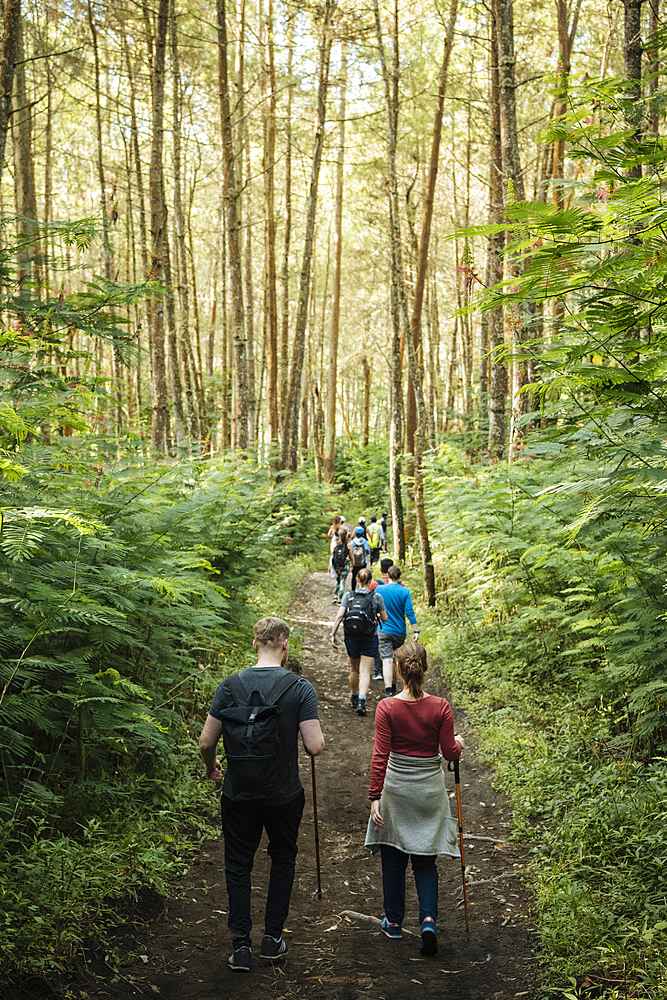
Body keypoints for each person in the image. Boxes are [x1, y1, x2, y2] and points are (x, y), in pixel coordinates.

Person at [199, 617, 325, 973]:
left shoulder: (229, 686)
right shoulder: (299, 688)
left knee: (238, 865)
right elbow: (314, 746)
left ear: (254, 644)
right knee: (282, 859)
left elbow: (207, 741)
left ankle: (241, 947)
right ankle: (272, 939)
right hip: (284, 795)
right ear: (285, 645)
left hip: (238, 794)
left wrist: (212, 767)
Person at [365, 642, 464, 956]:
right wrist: (459, 743)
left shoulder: (387, 707)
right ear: (425, 667)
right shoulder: (441, 707)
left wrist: (374, 797)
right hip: (429, 792)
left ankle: (393, 923)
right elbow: (449, 752)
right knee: (425, 860)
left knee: (393, 855)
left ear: (398, 669)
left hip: (396, 789)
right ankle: (428, 920)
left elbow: (381, 755)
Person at [330, 567, 387, 717]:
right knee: (365, 670)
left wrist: (333, 634)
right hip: (369, 637)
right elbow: (385, 618)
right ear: (370, 581)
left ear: (357, 580)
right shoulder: (376, 597)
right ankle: (362, 700)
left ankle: (354, 695)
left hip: (351, 637)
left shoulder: (348, 596)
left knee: (354, 669)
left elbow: (339, 616)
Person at [377, 565, 418, 699]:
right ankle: (396, 687)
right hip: (399, 631)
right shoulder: (404, 591)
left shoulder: (379, 589)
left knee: (386, 660)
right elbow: (409, 611)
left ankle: (389, 690)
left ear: (387, 576)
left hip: (383, 629)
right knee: (397, 659)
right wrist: (416, 630)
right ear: (400, 577)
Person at [348, 526, 371, 592]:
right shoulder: (365, 542)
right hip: (362, 562)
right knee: (362, 575)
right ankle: (361, 589)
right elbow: (368, 551)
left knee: (354, 576)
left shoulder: (352, 542)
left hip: (355, 563)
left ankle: (353, 590)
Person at [331, 527, 350, 603]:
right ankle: (340, 599)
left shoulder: (336, 545)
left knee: (337, 580)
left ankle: (335, 595)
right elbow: (350, 557)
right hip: (345, 566)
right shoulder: (348, 545)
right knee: (343, 581)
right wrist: (351, 565)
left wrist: (332, 567)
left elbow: (333, 556)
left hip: (337, 566)